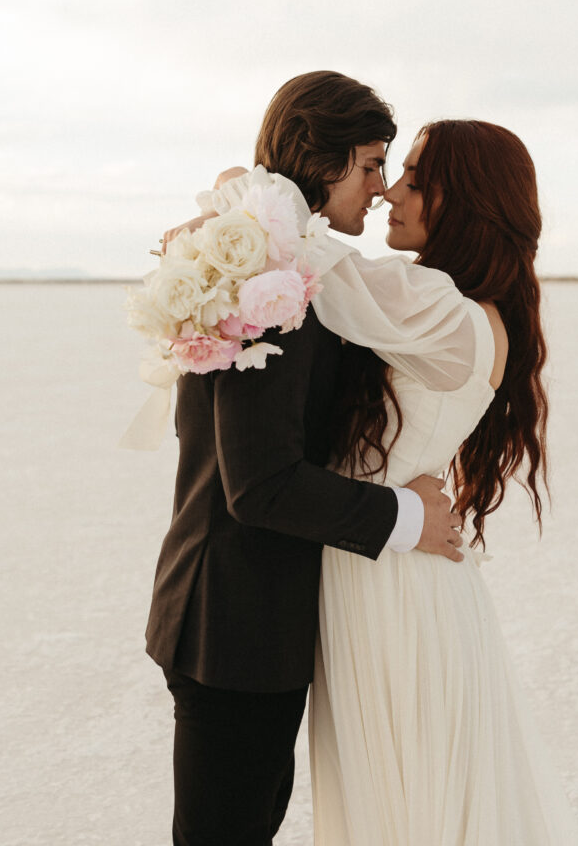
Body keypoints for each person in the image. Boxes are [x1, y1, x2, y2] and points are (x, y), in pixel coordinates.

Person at [218, 120, 578, 843]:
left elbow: (313, 262)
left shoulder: (448, 313)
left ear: (468, 199)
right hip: (374, 561)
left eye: (414, 179)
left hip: (395, 588)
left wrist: (240, 187)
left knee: (406, 797)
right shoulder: (438, 302)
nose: (389, 194)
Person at [145, 72, 471, 846]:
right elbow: (260, 486)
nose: (380, 187)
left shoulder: (282, 258)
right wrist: (407, 518)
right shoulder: (272, 281)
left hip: (242, 614)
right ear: (318, 162)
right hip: (233, 625)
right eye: (368, 165)